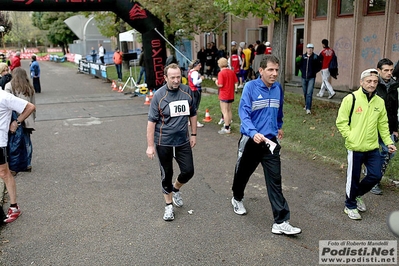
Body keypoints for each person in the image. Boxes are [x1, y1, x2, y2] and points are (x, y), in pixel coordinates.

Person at [231, 55, 302, 235]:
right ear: (261, 70)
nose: (274, 73)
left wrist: (279, 126)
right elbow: (244, 114)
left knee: (275, 180)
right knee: (243, 173)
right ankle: (237, 197)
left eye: (277, 70)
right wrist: (253, 133)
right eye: (270, 70)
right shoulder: (250, 87)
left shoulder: (278, 88)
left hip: (270, 142)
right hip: (252, 140)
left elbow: (278, 111)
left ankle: (281, 221)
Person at [336, 69, 396, 220]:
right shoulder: (351, 99)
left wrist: (388, 142)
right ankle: (350, 206)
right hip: (355, 147)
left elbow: (383, 124)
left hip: (372, 147)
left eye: (375, 81)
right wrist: (350, 137)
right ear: (361, 82)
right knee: (353, 178)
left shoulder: (379, 102)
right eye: (369, 81)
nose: (372, 84)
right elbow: (341, 122)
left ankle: (356, 195)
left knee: (376, 175)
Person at [146, 63, 198, 221]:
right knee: (166, 174)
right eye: (173, 77)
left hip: (182, 141)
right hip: (164, 142)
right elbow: (151, 122)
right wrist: (150, 146)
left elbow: (193, 114)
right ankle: (168, 206)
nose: (176, 80)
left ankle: (176, 189)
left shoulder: (187, 91)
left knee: (188, 171)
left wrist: (194, 134)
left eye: (178, 77)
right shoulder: (159, 96)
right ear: (166, 78)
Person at [0, 87, 36, 223]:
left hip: (0, 141)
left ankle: (14, 207)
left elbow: (30, 107)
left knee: (3, 172)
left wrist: (16, 122)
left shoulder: (4, 97)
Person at [370, 58, 399, 195]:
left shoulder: (394, 86)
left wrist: (395, 129)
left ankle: (373, 173)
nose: (389, 73)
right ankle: (374, 181)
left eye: (391, 70)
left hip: (387, 128)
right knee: (373, 154)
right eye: (386, 70)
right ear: (378, 71)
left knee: (389, 152)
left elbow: (394, 109)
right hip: (372, 127)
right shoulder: (372, 84)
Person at [5, 67, 36, 175]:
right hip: (27, 117)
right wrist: (33, 118)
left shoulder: (9, 86)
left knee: (15, 142)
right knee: (27, 141)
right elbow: (33, 104)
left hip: (15, 118)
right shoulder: (29, 87)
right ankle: (27, 163)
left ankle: (15, 164)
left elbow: (6, 103)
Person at [214, 57, 238, 134]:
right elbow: (236, 82)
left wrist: (216, 82)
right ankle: (229, 125)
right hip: (231, 93)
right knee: (229, 110)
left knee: (224, 111)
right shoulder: (231, 72)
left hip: (224, 94)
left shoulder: (221, 73)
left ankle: (226, 127)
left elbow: (220, 85)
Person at [299, 43, 321, 114]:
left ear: (313, 49)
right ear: (306, 49)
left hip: (311, 77)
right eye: (308, 48)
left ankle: (308, 108)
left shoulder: (315, 57)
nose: (310, 50)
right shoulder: (303, 56)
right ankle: (306, 104)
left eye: (311, 48)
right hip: (303, 77)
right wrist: (302, 71)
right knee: (305, 92)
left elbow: (319, 66)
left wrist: (314, 72)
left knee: (309, 93)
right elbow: (299, 65)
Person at [187, 59, 205, 128]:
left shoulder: (190, 71)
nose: (200, 66)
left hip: (191, 90)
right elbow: (195, 83)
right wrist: (201, 79)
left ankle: (190, 121)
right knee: (195, 107)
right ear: (195, 65)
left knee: (191, 106)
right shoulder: (195, 73)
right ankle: (195, 122)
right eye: (199, 65)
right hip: (196, 91)